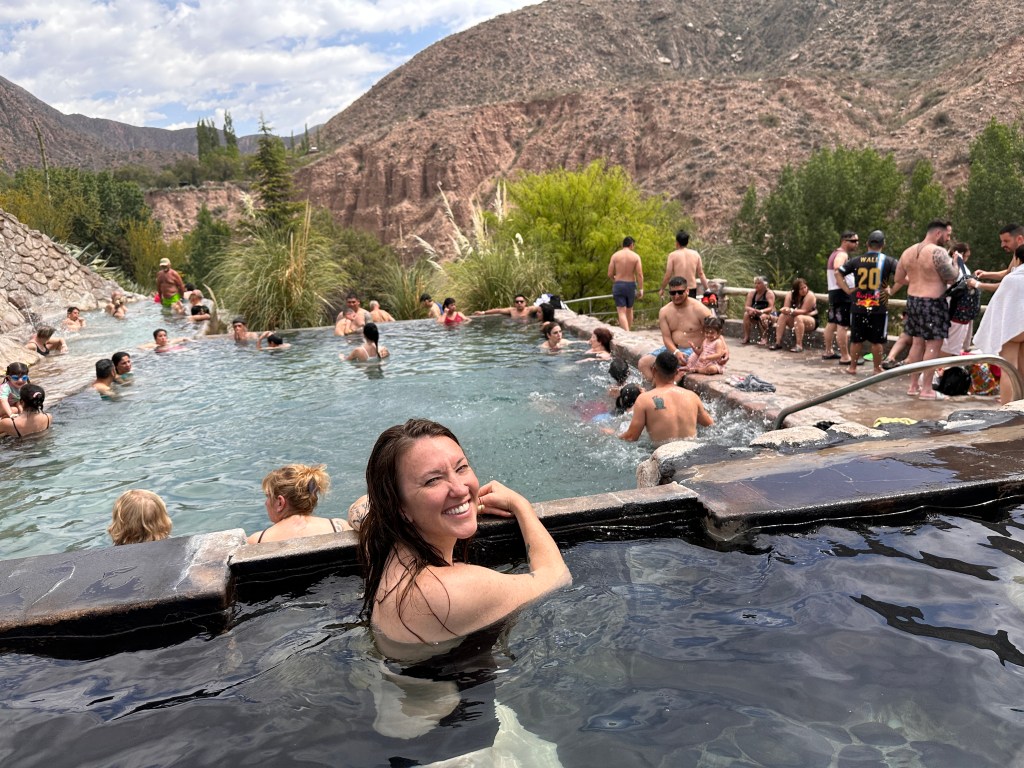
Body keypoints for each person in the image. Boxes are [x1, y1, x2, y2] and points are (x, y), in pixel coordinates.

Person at [357, 418, 571, 645]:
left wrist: (453, 509)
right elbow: (557, 578)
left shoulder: (383, 545)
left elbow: (360, 507)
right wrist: (520, 505)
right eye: (433, 480)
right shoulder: (448, 591)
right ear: (399, 507)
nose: (460, 489)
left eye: (461, 468)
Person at [892, 219, 958, 399]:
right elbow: (952, 278)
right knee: (933, 346)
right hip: (933, 303)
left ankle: (913, 386)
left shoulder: (908, 252)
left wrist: (916, 281)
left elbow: (898, 278)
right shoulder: (938, 252)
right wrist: (955, 262)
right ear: (938, 233)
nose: (947, 239)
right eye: (947, 235)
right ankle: (926, 389)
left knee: (917, 343)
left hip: (913, 301)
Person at [619, 351, 714, 444]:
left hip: (662, 452)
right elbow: (709, 424)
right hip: (691, 450)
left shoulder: (644, 400)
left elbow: (631, 437)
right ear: (677, 372)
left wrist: (615, 435)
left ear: (653, 370)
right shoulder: (692, 396)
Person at [837, 230, 896, 376]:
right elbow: (903, 274)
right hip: (878, 307)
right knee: (877, 341)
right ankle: (877, 368)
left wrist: (847, 289)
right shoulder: (888, 260)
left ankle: (852, 367)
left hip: (859, 305)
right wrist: (892, 290)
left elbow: (838, 273)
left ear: (867, 243)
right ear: (883, 244)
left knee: (856, 339)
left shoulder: (857, 260)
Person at [248, 464, 352, 544]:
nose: (266, 503)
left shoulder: (257, 541)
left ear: (280, 502)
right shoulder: (339, 527)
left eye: (268, 496)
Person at [974, 244, 1024, 404]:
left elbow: (999, 306)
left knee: (1009, 369)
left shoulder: (1011, 279)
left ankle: (1007, 408)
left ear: (1017, 259)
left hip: (1013, 329)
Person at [638, 276, 712, 381]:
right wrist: (676, 352)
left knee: (675, 367)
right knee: (643, 363)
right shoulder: (664, 311)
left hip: (693, 351)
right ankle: (656, 386)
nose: (676, 296)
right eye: (673, 293)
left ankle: (664, 386)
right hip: (673, 349)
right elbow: (666, 338)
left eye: (680, 292)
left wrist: (722, 350)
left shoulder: (700, 309)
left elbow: (715, 332)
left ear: (687, 291)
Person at [823, 231, 858, 363]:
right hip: (842, 293)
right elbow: (837, 267)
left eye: (857, 241)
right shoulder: (842, 254)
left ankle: (828, 351)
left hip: (834, 292)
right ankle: (845, 356)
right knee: (843, 325)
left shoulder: (834, 253)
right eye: (853, 241)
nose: (856, 244)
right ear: (844, 241)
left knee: (832, 323)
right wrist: (846, 287)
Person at [942, 242, 978, 356]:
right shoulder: (960, 268)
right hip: (957, 311)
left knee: (945, 344)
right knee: (951, 347)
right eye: (966, 256)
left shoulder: (945, 264)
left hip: (947, 309)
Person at [769, 278, 818, 352]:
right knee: (782, 316)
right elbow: (786, 308)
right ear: (796, 290)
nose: (804, 290)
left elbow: (804, 311)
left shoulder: (810, 295)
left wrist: (791, 311)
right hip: (795, 319)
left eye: (805, 287)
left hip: (811, 320)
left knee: (799, 317)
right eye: (801, 289)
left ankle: (799, 345)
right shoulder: (790, 294)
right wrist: (785, 310)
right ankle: (777, 342)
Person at [608, 236, 644, 331]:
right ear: (631, 245)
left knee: (621, 311)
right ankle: (628, 331)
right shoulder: (636, 256)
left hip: (619, 284)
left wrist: (615, 279)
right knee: (629, 309)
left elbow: (610, 273)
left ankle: (626, 332)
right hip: (631, 285)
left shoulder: (615, 256)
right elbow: (639, 274)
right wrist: (641, 289)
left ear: (622, 245)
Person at [659, 230, 708, 299]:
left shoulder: (672, 255)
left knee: (676, 306)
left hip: (677, 289)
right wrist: (707, 289)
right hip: (691, 289)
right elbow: (701, 274)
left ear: (677, 242)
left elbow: (668, 275)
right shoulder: (695, 254)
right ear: (687, 242)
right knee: (690, 306)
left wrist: (662, 288)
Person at [741, 276, 776, 345]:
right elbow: (747, 306)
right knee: (746, 314)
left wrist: (761, 311)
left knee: (763, 317)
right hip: (756, 313)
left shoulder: (769, 293)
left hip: (768, 314)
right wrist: (752, 310)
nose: (756, 285)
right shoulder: (752, 293)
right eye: (755, 283)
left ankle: (764, 338)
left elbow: (770, 308)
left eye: (759, 283)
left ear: (765, 284)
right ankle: (746, 337)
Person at [473, 294, 540, 321]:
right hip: (514, 326)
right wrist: (483, 312)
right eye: (517, 302)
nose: (519, 303)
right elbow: (498, 310)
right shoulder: (511, 310)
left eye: (521, 301)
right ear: (514, 303)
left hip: (527, 326)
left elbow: (542, 307)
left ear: (525, 303)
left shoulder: (529, 309)